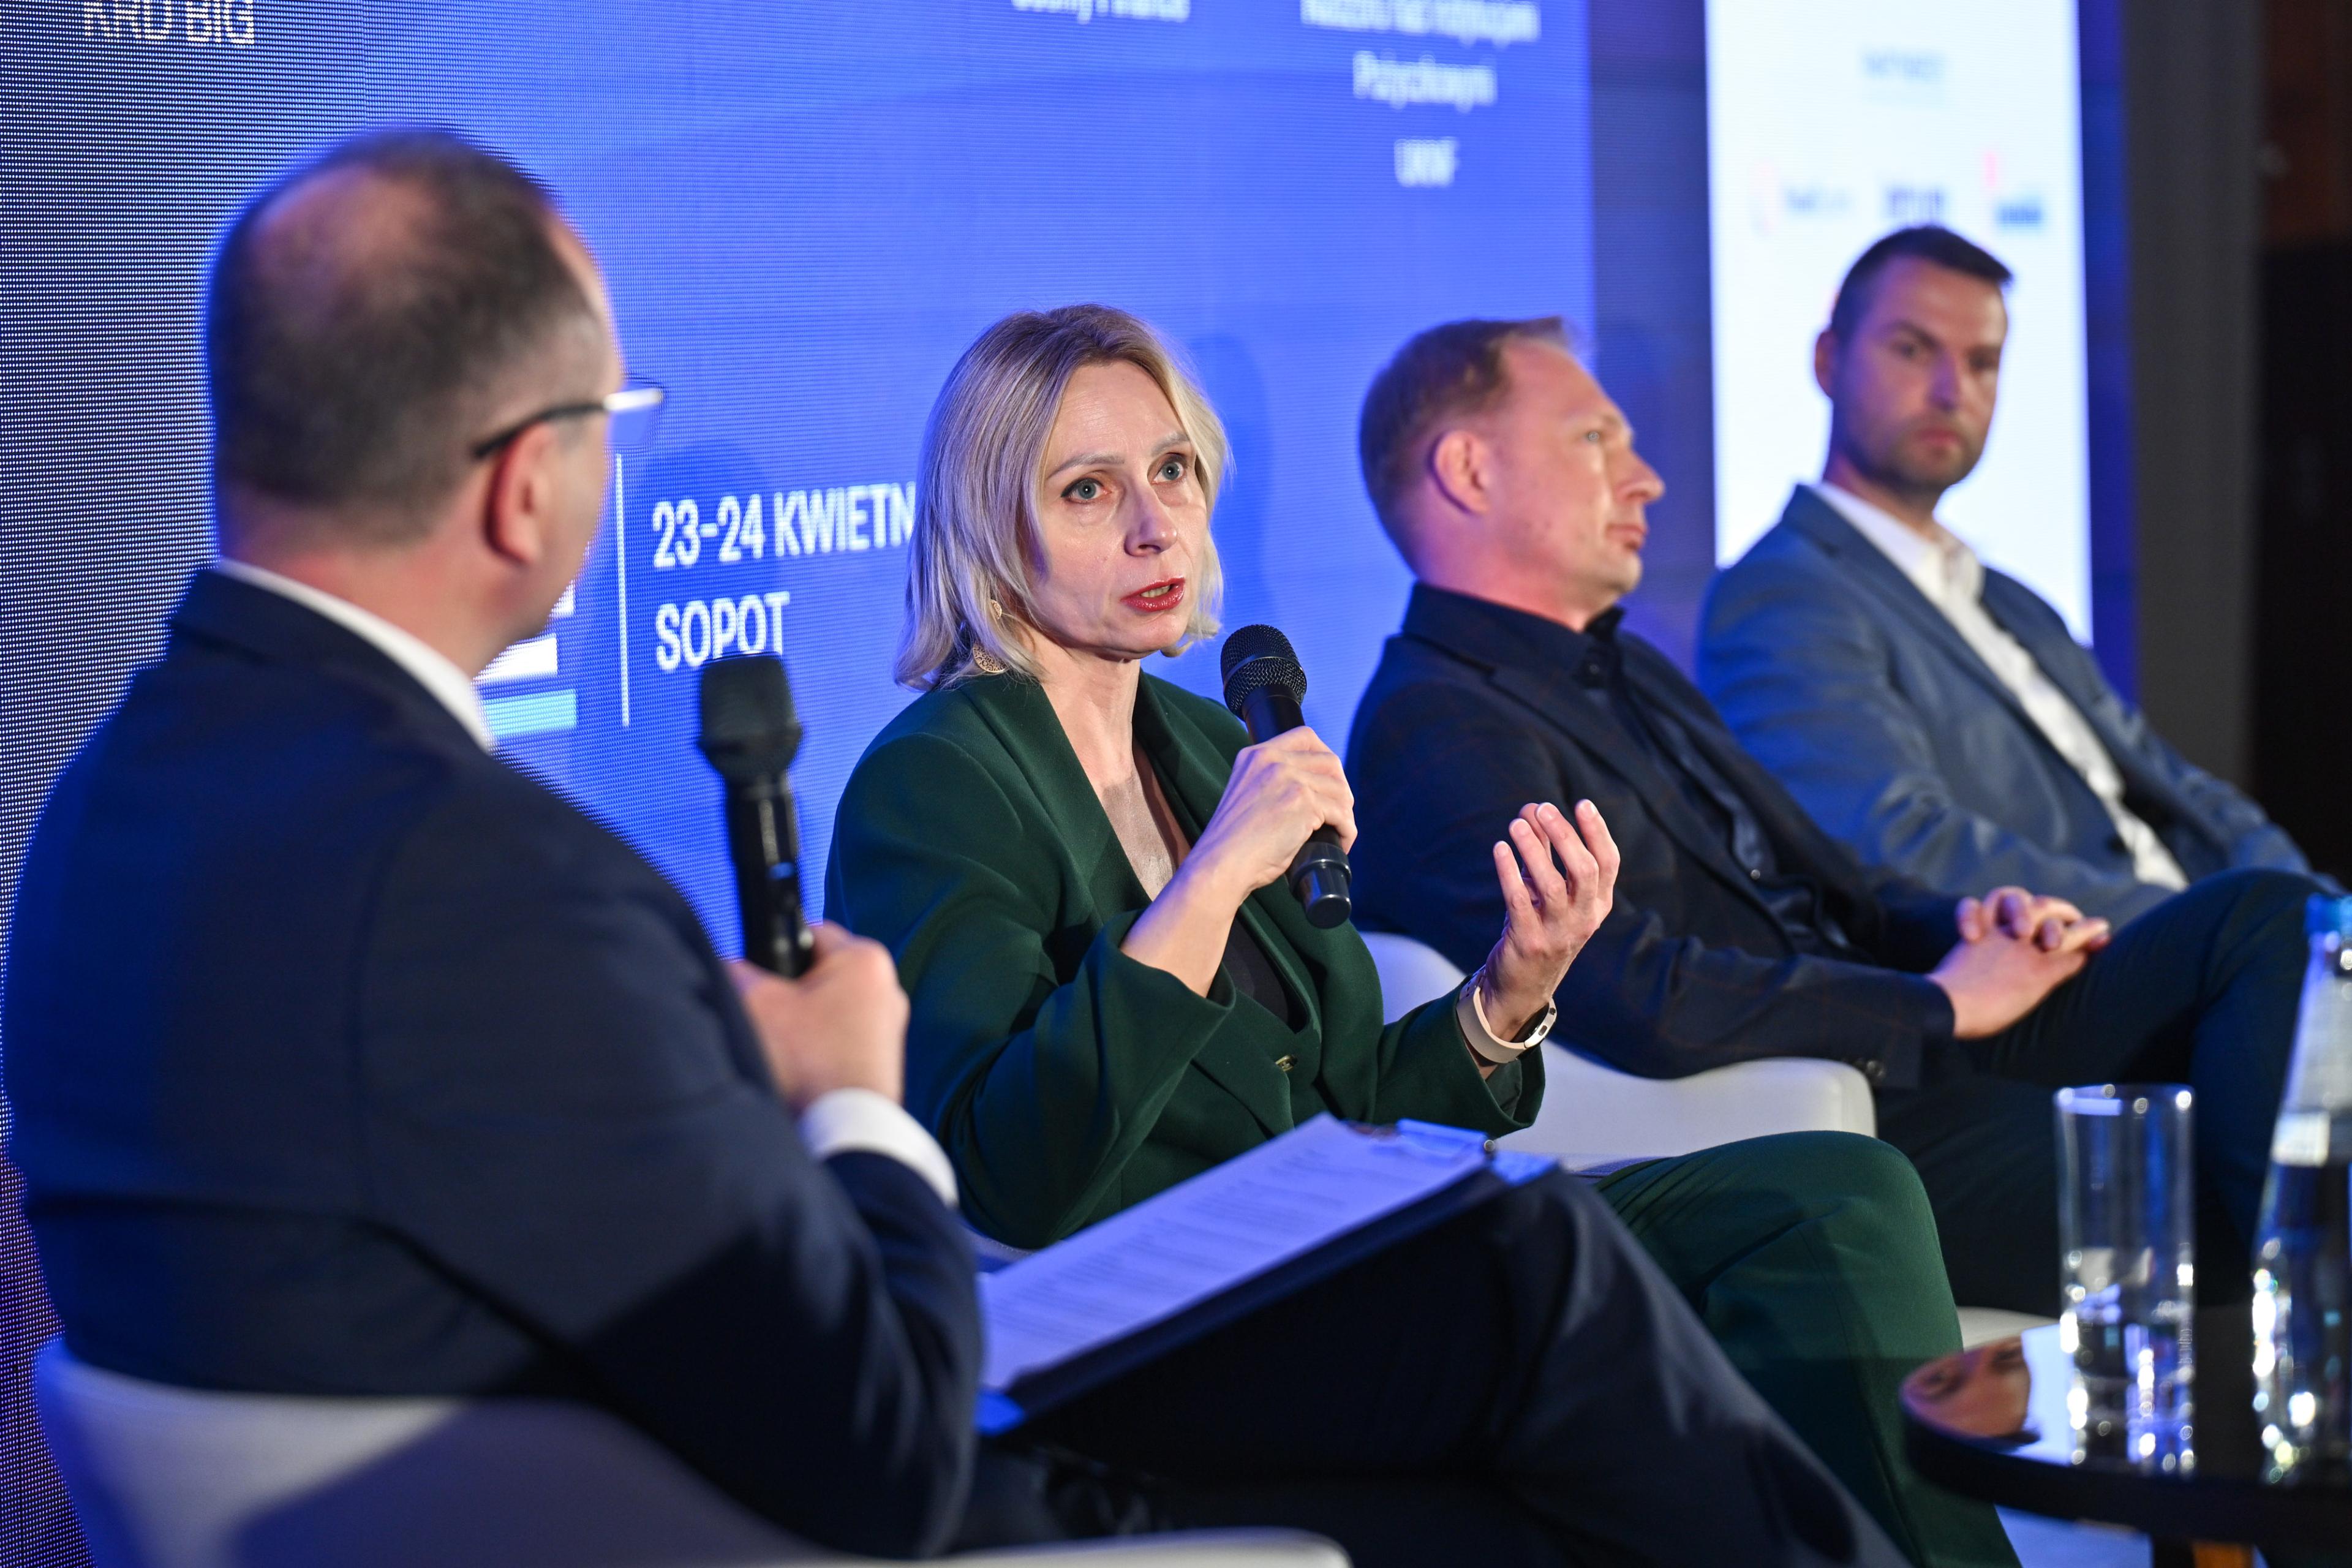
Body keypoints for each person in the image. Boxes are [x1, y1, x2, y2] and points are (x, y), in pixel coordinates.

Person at [826, 304, 2009, 1568]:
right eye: (1086, 490)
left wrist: (1507, 996)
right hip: (1152, 1326)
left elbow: (1347, 1102)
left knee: (1837, 1194)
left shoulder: (1211, 742)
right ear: (989, 528)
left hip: (1326, 1255)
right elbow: (1009, 1170)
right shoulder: (937, 780)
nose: (1155, 524)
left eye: (1172, 470)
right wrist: (1212, 881)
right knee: (1538, 1251)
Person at [1, 130, 1006, 1559]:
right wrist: (852, 1100)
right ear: (526, 482)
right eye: (607, 418)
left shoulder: (95, 809)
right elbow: (885, 1460)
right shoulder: (498, 889)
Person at [1343, 314, 2318, 1326]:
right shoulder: (1437, 722)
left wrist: (1971, 926)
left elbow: (1829, 881)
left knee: (2265, 918)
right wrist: (1936, 1007)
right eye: (1595, 440)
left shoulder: (1626, 666)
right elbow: (1620, 989)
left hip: (1904, 1024)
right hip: (1829, 1102)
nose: (1646, 481)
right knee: (2204, 1176)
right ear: (1469, 471)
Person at [1696, 225, 2326, 928]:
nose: (1951, 391)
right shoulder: (1784, 594)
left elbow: (2186, 794)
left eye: (1982, 363)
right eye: (1912, 350)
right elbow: (1895, 845)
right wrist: (2203, 930)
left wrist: (2318, 917)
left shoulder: (2013, 601)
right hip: (2088, 961)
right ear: (1828, 360)